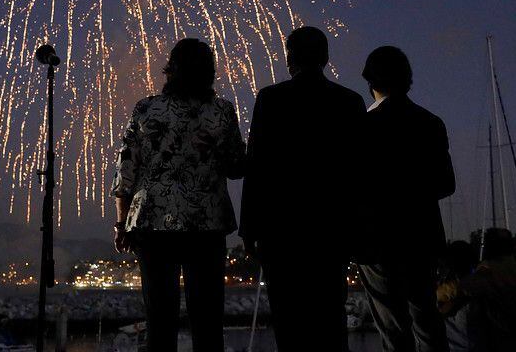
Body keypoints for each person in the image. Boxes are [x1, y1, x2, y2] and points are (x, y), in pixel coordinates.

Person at [111, 38, 246, 352]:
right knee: (208, 322)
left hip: (152, 225)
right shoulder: (222, 111)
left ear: (170, 70)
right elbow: (237, 166)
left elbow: (126, 170)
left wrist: (121, 223)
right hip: (207, 224)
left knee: (159, 320)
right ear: (209, 72)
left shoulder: (146, 108)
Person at [239, 25, 367, 351]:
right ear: (325, 57)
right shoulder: (350, 102)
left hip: (282, 230)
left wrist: (249, 228)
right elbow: (360, 171)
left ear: (289, 58)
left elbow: (257, 165)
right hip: (332, 229)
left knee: (288, 321)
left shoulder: (271, 98)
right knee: (330, 318)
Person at [357, 45, 455, 352]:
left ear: (370, 82)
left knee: (393, 327)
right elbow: (446, 184)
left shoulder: (363, 126)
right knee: (427, 320)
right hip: (421, 236)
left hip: (377, 240)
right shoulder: (430, 122)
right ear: (408, 79)